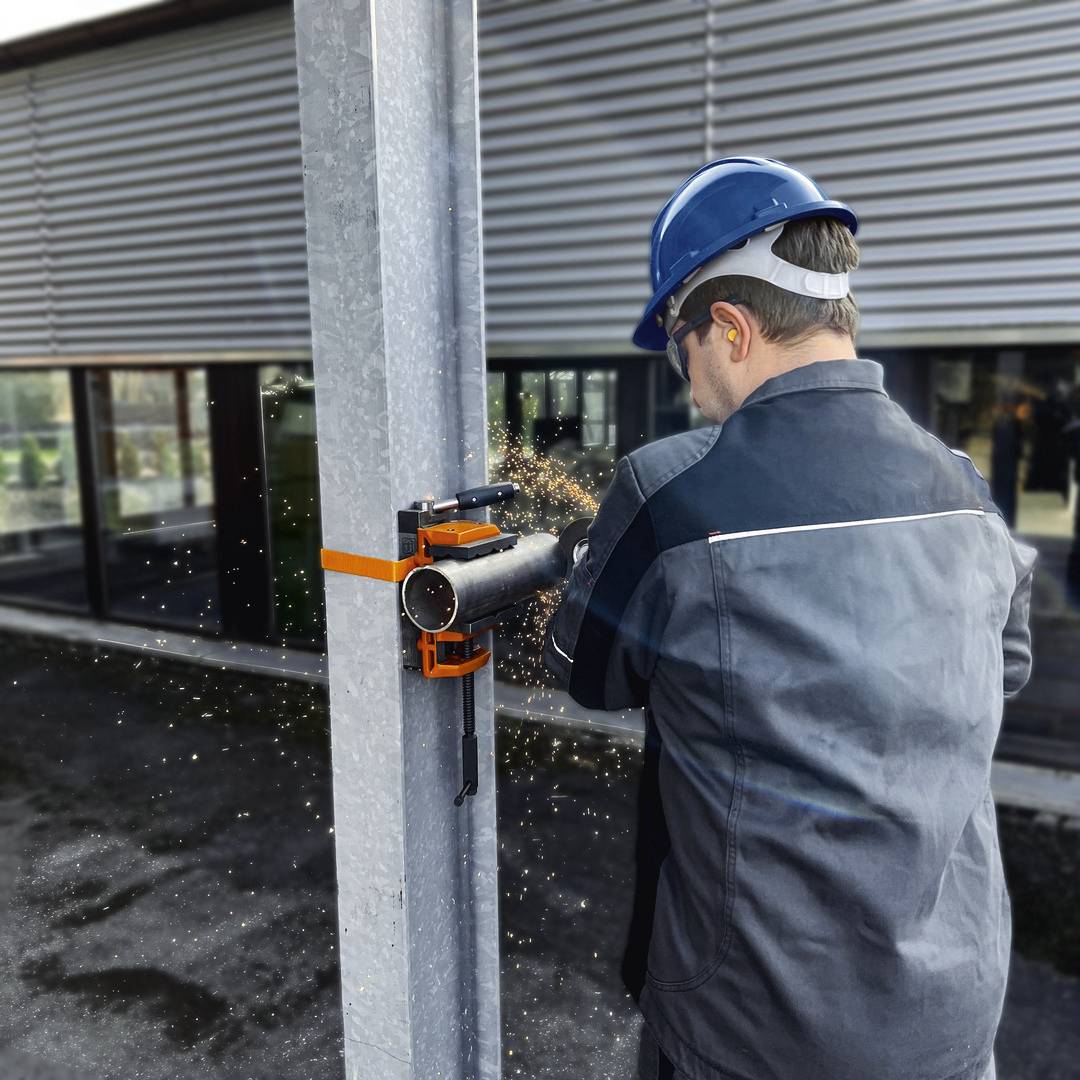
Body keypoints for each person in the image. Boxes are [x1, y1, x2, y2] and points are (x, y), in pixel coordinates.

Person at [542, 157, 1036, 1080]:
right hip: (953, 1023)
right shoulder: (962, 487)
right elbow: (1001, 669)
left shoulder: (673, 490)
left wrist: (586, 563)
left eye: (681, 348)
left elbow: (587, 672)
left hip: (756, 1032)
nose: (689, 386)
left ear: (728, 327)